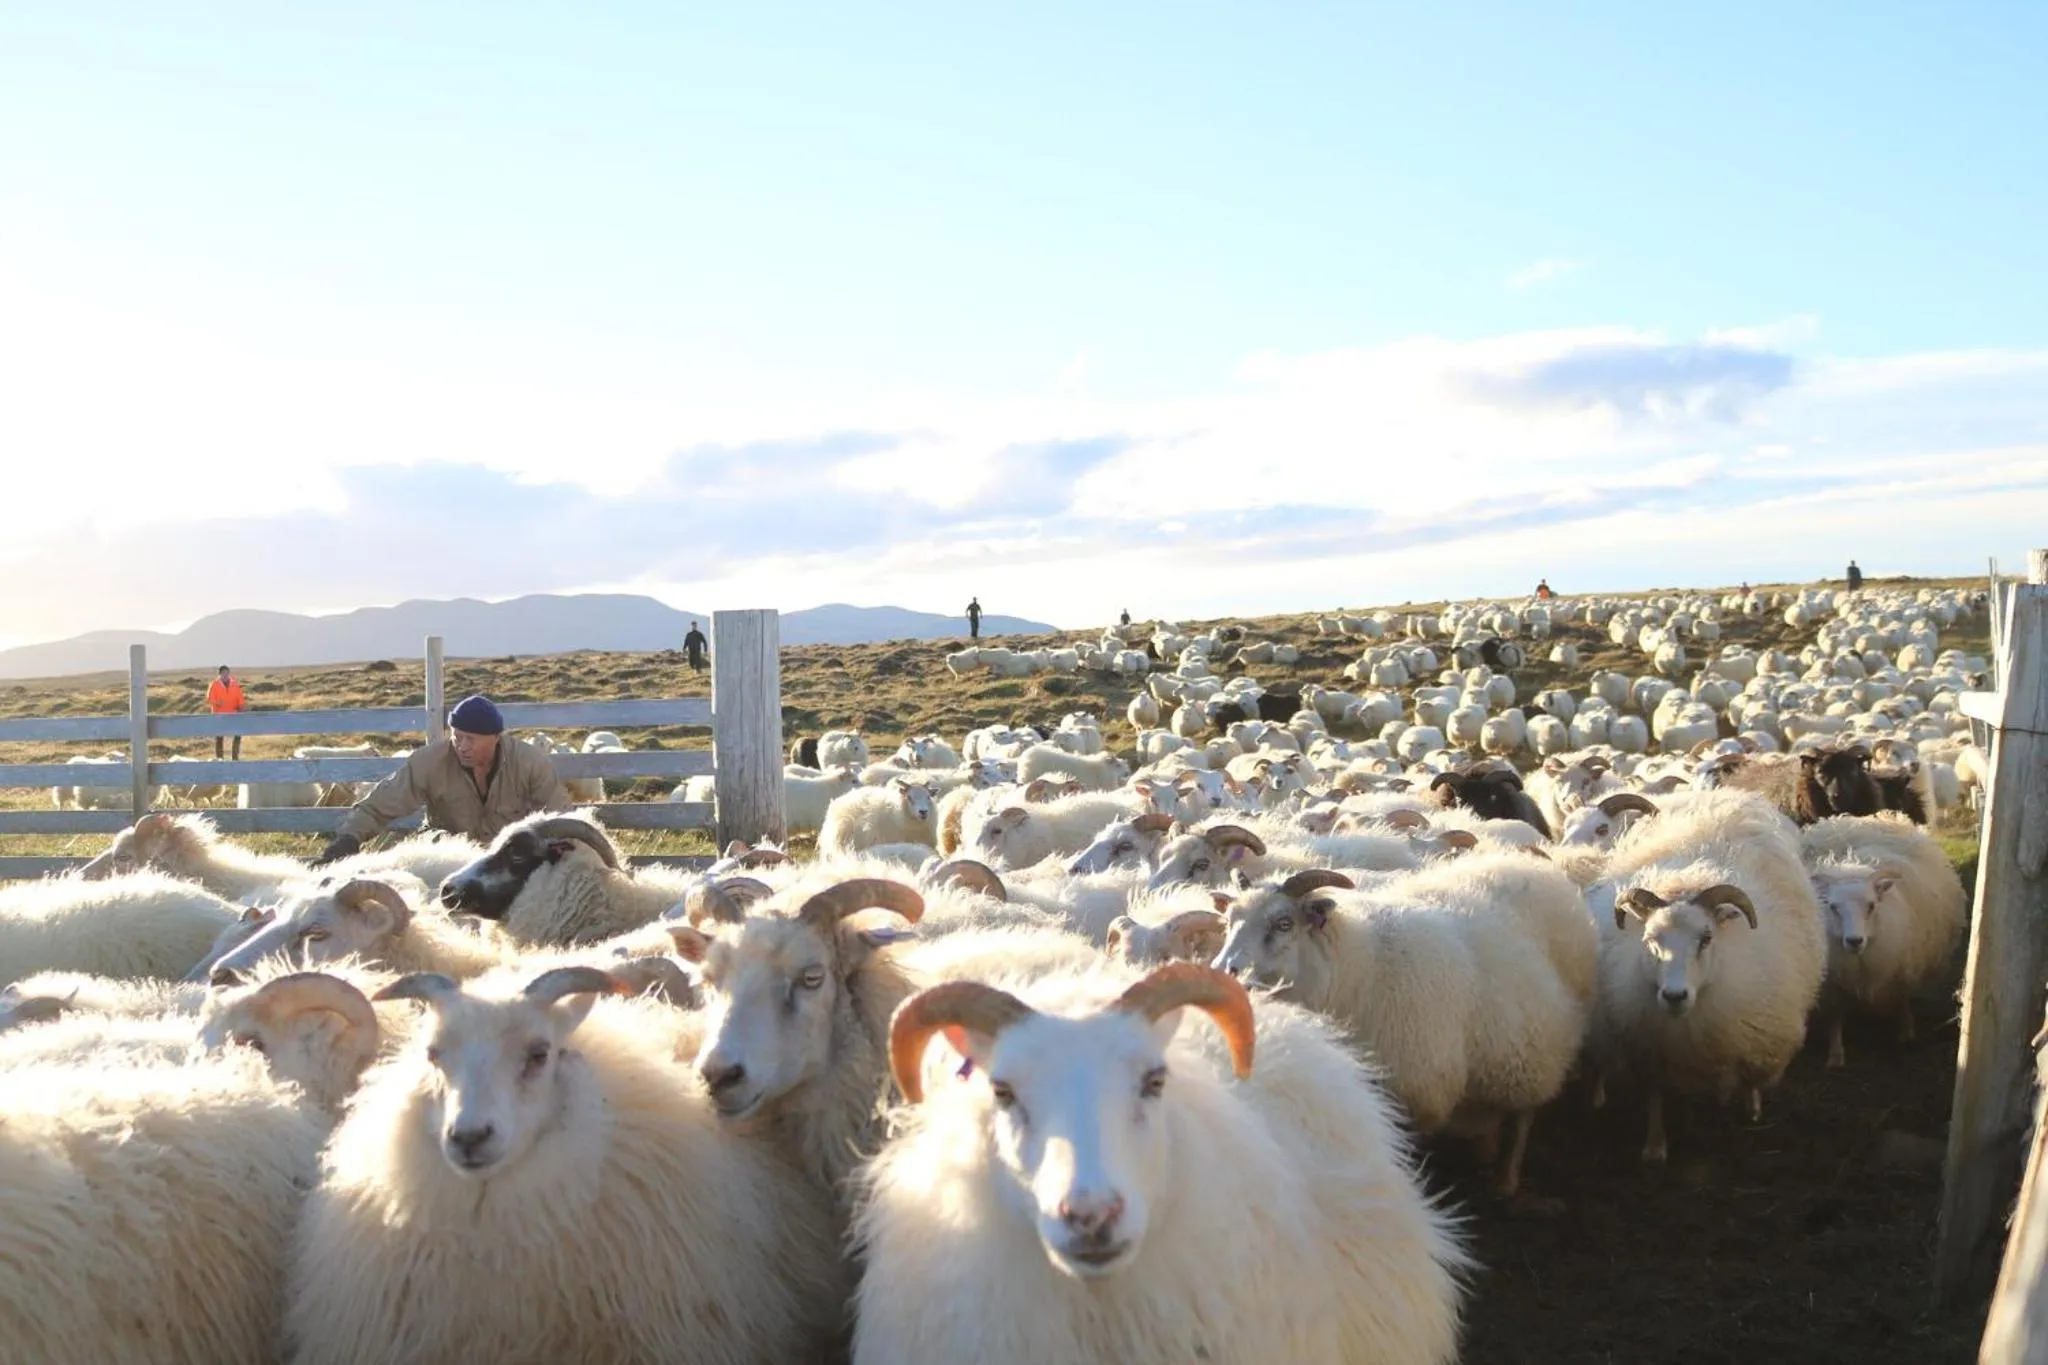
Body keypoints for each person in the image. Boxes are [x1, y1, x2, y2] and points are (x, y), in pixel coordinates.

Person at [310, 694, 571, 865]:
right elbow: (380, 804)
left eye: (471, 739)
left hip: (509, 857)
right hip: (446, 854)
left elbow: (561, 816)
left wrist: (556, 849)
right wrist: (349, 838)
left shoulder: (530, 762)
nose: (462, 746)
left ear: (495, 737)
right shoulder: (429, 761)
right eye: (457, 737)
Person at [206, 665, 246, 759]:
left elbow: (240, 697)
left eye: (227, 673)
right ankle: (220, 759)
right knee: (219, 738)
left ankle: (235, 757)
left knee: (238, 734)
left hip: (234, 714)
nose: (225, 675)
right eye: (223, 673)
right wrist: (217, 703)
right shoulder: (214, 684)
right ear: (219, 674)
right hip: (219, 715)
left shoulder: (234, 684)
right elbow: (209, 698)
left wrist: (241, 707)